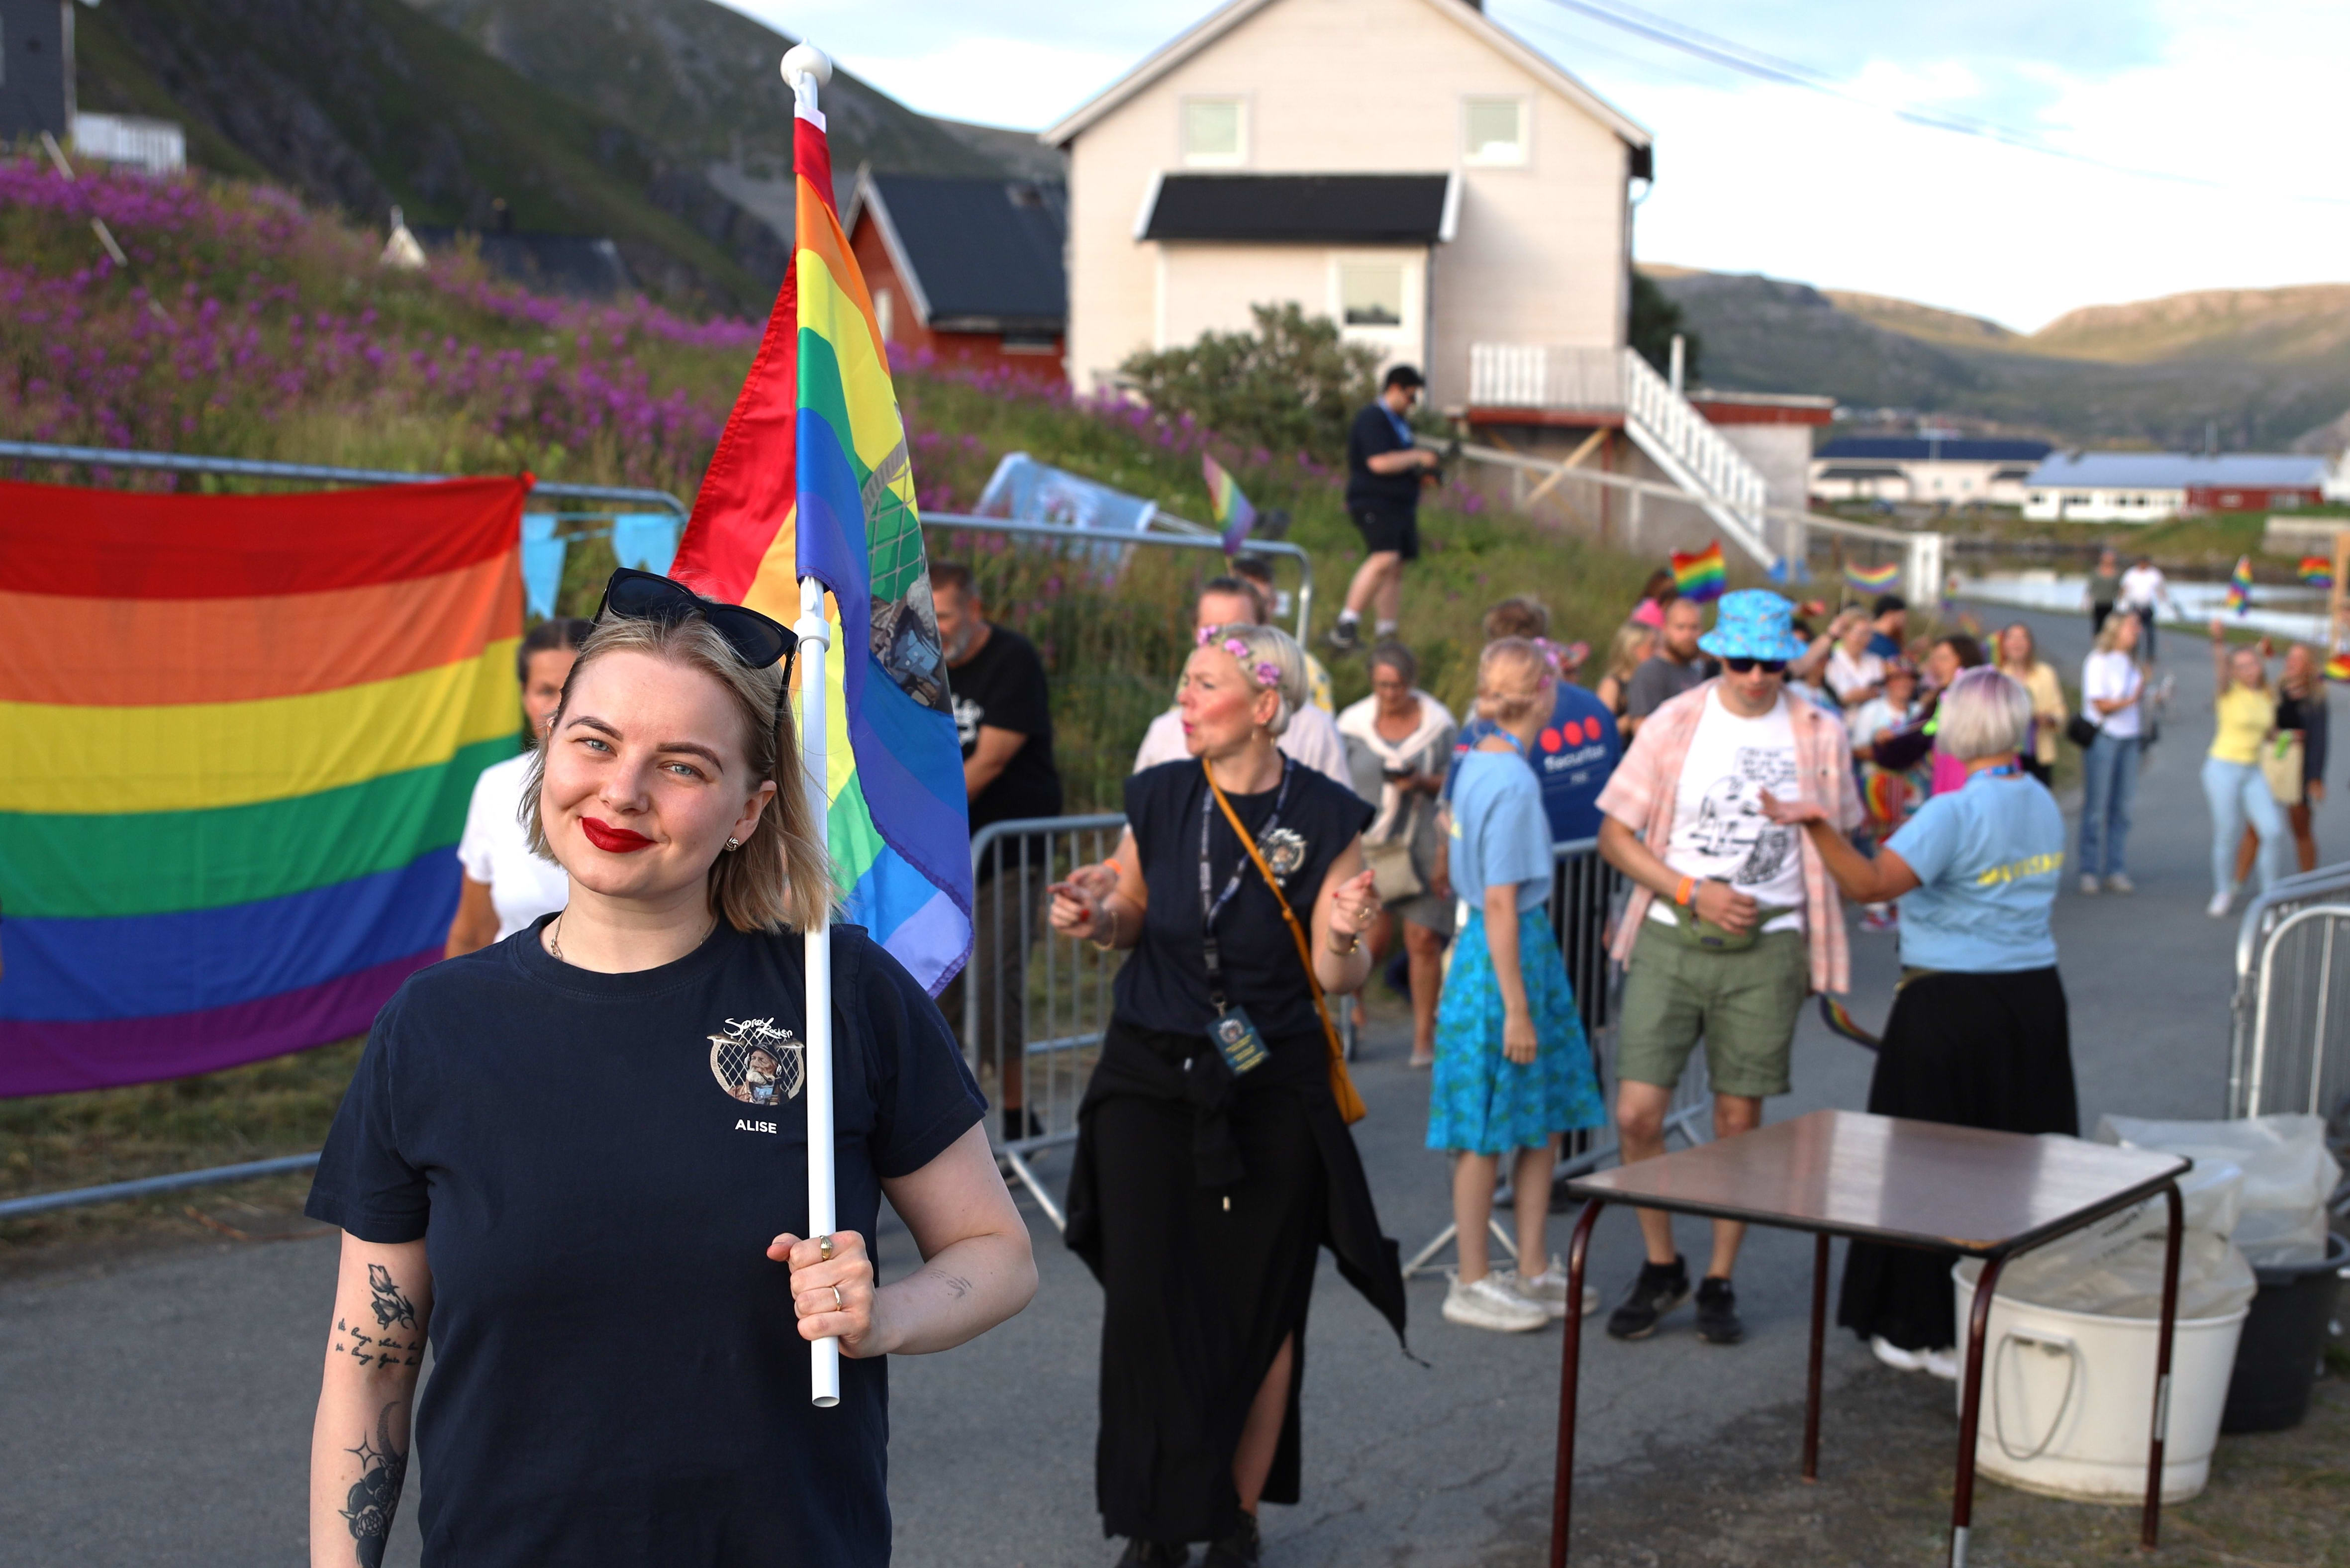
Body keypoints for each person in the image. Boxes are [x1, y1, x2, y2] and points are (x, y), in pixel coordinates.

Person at [305, 569, 1037, 1566]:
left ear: (749, 808)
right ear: (548, 750)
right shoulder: (432, 1026)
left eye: (683, 765)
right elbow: (373, 1362)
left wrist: (886, 1313)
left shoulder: (840, 993)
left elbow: (996, 1252)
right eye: (594, 742)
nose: (623, 791)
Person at [1054, 622, 1404, 1568]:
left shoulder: (1325, 812)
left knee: (1260, 1302)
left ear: (1264, 706)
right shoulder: (1163, 791)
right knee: (1147, 1297)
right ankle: (1156, 1516)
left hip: (1269, 1082)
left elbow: (1338, 976)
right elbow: (1129, 908)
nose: (1184, 695)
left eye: (1204, 682)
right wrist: (1096, 915)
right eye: (1184, 679)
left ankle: (1233, 1515)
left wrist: (1345, 930)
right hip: (1148, 1071)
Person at [1762, 667, 2074, 1378]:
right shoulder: (2039, 799)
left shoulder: (1953, 812)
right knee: (2015, 1161)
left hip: (1950, 1002)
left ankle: (1916, 1322)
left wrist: (1814, 824)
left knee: (1923, 1165)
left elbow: (1868, 883)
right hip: (2032, 998)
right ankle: (1999, 1311)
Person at [1595, 590, 1860, 1347]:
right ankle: (1662, 1263)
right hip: (1672, 935)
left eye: (1770, 663)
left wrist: (1816, 822)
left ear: (1788, 660)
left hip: (1770, 945)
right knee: (1636, 1113)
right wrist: (1691, 890)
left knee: (1737, 1121)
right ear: (1717, 654)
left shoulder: (1821, 729)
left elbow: (1846, 834)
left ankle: (1719, 1276)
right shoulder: (1674, 721)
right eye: (1740, 661)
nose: (1754, 676)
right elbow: (1614, 834)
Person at [1428, 640, 1607, 1333]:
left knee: (1541, 1115)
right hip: (1506, 956)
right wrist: (1517, 1009)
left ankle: (1531, 1266)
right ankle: (1473, 1279)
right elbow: (1501, 900)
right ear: (1544, 693)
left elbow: (1450, 832)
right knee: (1485, 1124)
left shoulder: (1479, 760)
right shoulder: (1510, 779)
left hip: (1512, 950)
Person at [931, 561, 1064, 1144]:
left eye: (944, 615)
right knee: (938, 985)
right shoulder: (918, 663)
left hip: (1006, 851)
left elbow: (989, 760)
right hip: (943, 856)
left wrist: (918, 817)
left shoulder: (1013, 659)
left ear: (975, 610)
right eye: (926, 616)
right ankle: (948, 1123)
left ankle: (1015, 1115)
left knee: (994, 984)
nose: (934, 629)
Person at [1337, 642, 1457, 1067]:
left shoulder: (1438, 725)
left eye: (1398, 686)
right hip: (1370, 844)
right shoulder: (1352, 725)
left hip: (1422, 844)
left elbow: (1456, 781)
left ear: (1412, 683)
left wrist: (1422, 781)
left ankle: (1424, 1037)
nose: (1390, 694)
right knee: (1370, 935)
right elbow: (1336, 778)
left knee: (1423, 940)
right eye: (1383, 686)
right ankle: (1353, 1006)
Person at [444, 617, 590, 957]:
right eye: (545, 691)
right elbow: (474, 932)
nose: (559, 708)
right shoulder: (496, 787)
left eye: (575, 688)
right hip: (509, 985)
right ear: (524, 697)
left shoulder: (629, 790)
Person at [1137, 579, 1351, 785]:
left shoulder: (1313, 731)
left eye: (1239, 632)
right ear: (1195, 634)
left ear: (1264, 629)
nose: (1223, 644)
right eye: (1212, 632)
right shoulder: (1165, 734)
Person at [1453, 595, 1624, 845]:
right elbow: (1616, 777)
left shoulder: (1486, 724)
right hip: (1599, 856)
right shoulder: (1595, 706)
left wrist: (1447, 847)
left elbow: (1458, 809)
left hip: (1528, 860)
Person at [1329, 365, 1439, 652]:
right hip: (1375, 501)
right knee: (1384, 557)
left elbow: (1399, 462)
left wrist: (1422, 475)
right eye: (1411, 396)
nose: (1412, 404)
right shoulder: (1373, 418)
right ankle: (1346, 624)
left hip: (1401, 504)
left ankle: (1386, 632)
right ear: (1394, 388)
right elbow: (1378, 462)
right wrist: (1418, 456)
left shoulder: (1400, 424)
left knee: (1395, 566)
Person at [2202, 623, 2283, 918]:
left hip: (2253, 771)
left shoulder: (2267, 695)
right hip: (2222, 768)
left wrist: (2282, 737)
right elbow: (2220, 668)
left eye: (2253, 664)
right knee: (2227, 832)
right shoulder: (2228, 691)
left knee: (2272, 830)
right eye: (2242, 666)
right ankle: (2223, 891)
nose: (2249, 671)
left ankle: (2270, 896)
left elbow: (2268, 732)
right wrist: (2219, 641)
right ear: (2234, 671)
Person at [2239, 644, 2329, 878]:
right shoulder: (2276, 690)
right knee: (2255, 827)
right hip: (2271, 765)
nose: (2291, 662)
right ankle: (2234, 884)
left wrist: (2315, 779)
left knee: (2301, 828)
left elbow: (2319, 741)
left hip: (2298, 772)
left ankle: (2308, 883)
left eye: (2298, 659)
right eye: (2290, 657)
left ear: (2308, 666)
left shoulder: (2316, 698)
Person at [2077, 612, 2147, 896]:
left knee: (2122, 807)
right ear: (2116, 630)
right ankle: (2089, 869)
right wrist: (2132, 700)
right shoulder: (2098, 661)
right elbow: (2100, 704)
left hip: (2130, 737)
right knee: (2096, 806)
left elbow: (2135, 700)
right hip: (2105, 737)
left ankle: (2116, 869)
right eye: (2132, 626)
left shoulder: (2132, 662)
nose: (2137, 631)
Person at [1230, 552, 1335, 714]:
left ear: (1274, 604)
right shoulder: (1207, 658)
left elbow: (1319, 726)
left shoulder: (1307, 670)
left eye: (1262, 603)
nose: (1255, 611)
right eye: (1247, 602)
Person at [1622, 595, 1712, 736]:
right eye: (1680, 627)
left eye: (1694, 628)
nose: (1688, 635)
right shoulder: (1651, 671)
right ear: (1665, 629)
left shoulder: (1696, 670)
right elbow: (1642, 730)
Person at [1995, 622, 2068, 788]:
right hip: (2007, 756)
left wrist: (2049, 719)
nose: (2017, 643)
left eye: (2022, 638)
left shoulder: (2046, 674)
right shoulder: (1997, 676)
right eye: (2012, 638)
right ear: (2004, 644)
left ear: (2030, 644)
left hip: (2040, 753)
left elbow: (2060, 711)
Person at [1824, 607, 1885, 708]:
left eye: (1869, 634)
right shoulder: (1832, 660)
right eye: (1861, 634)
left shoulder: (1875, 660)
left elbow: (1881, 692)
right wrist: (1871, 693)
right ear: (1845, 633)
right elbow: (1844, 697)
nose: (1866, 639)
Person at [1596, 621, 1657, 721]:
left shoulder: (1652, 681)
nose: (1658, 651)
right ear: (1633, 648)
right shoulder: (1612, 685)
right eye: (1653, 645)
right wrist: (1636, 715)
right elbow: (1603, 726)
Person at [2120, 556, 2174, 662]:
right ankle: (2133, 653)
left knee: (2150, 631)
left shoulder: (2154, 574)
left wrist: (2165, 602)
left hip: (2148, 606)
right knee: (2133, 631)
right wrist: (2121, 602)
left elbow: (2161, 588)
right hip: (2135, 606)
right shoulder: (2131, 573)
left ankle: (2150, 654)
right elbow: (2124, 588)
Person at [2085, 545, 2123, 636]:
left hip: (2111, 603)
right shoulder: (2096, 572)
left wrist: (2122, 602)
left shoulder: (2117, 574)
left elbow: (2120, 588)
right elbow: (2091, 587)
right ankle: (2098, 641)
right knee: (2098, 625)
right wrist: (2087, 601)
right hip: (2099, 602)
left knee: (2110, 626)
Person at [1866, 593, 1908, 660]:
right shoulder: (1868, 639)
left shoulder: (1891, 641)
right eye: (1902, 615)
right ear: (1889, 614)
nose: (1904, 620)